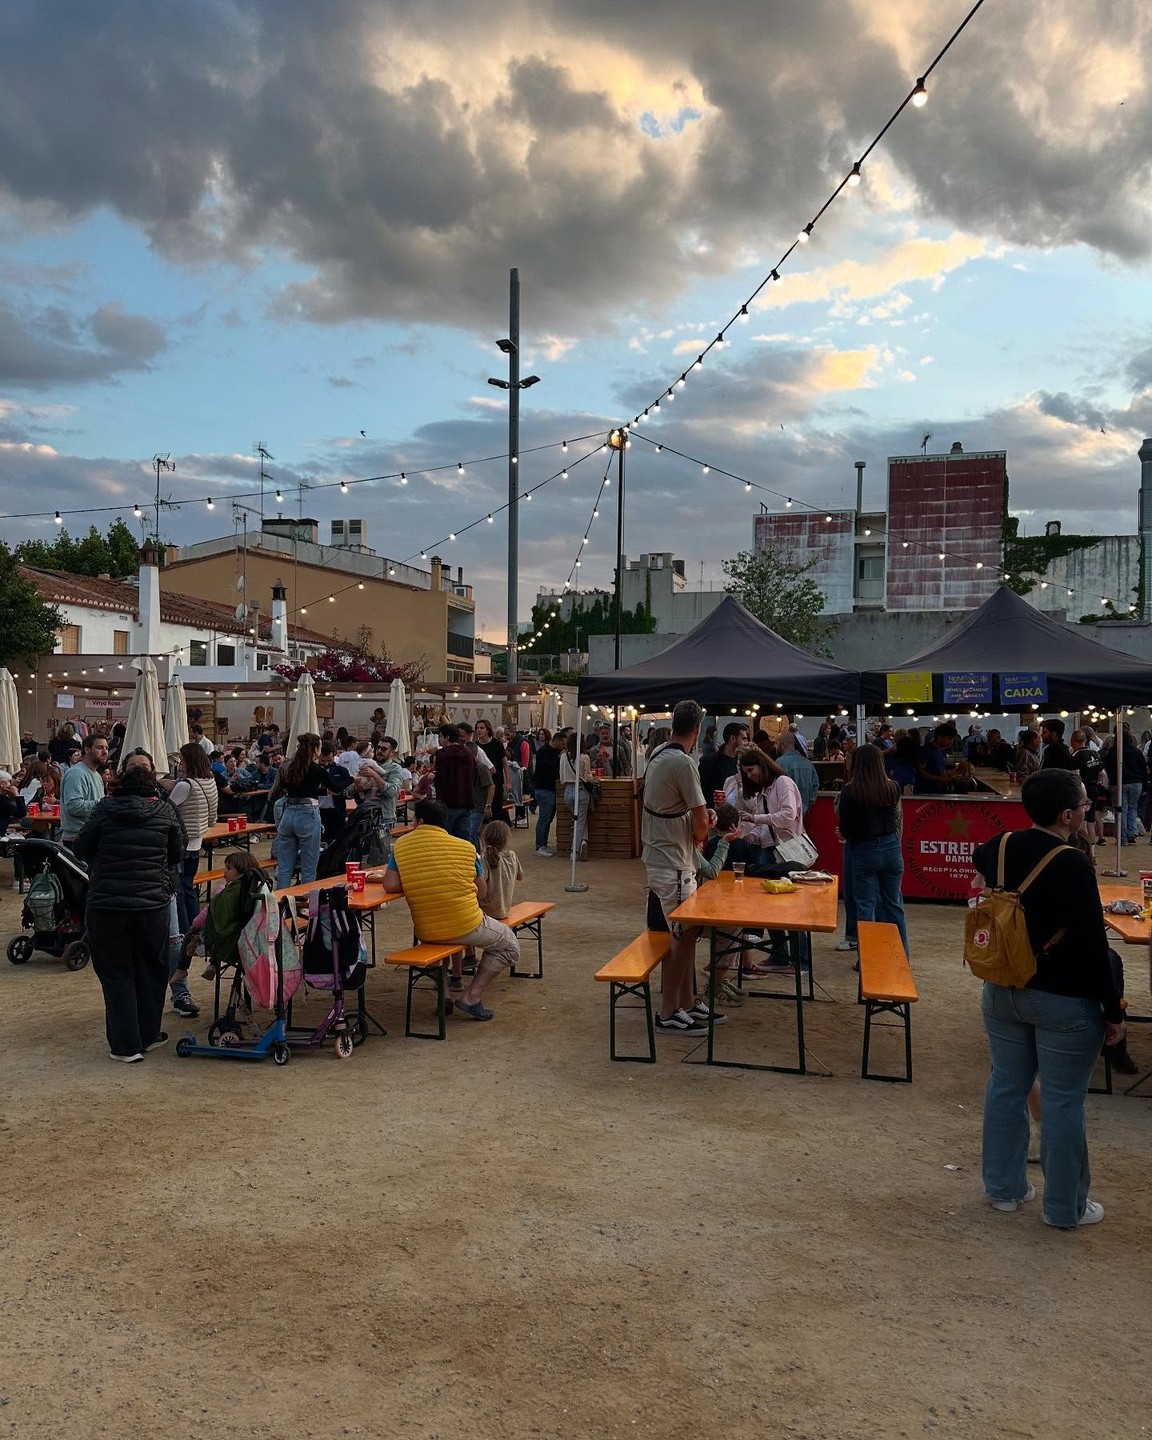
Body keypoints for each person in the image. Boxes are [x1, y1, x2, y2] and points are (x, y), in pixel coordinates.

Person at [973, 768, 1124, 1229]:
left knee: (1007, 1087)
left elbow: (980, 872)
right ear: (1067, 815)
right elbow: (1093, 944)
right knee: (1062, 1102)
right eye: (1083, 805)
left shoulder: (998, 846)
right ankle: (1065, 1208)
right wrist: (1113, 1008)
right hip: (1062, 997)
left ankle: (1004, 1190)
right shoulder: (1072, 863)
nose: (1086, 810)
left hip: (1002, 987)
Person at [72, 759, 184, 1062]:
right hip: (152, 904)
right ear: (152, 786)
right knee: (152, 970)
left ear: (121, 785)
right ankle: (147, 1035)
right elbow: (177, 853)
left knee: (116, 973)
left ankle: (126, 1046)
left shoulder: (104, 809)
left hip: (107, 903)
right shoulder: (165, 811)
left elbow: (80, 847)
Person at [383, 798, 519, 1021]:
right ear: (443, 823)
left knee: (441, 945)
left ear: (418, 821)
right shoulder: (466, 848)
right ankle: (471, 997)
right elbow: (482, 891)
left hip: (427, 929)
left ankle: (445, 995)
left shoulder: (400, 847)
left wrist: (417, 879)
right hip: (466, 924)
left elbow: (389, 885)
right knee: (510, 945)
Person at [641, 699, 712, 1036]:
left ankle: (687, 1001)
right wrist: (704, 828)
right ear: (697, 729)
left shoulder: (658, 754)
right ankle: (668, 1011)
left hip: (662, 857)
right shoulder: (684, 763)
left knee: (686, 935)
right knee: (682, 938)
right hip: (674, 864)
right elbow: (700, 824)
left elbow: (676, 808)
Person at [836, 742, 909, 957]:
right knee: (894, 903)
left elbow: (846, 828)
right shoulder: (892, 787)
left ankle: (869, 959)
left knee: (865, 906)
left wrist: (844, 832)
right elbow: (896, 818)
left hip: (864, 849)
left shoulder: (850, 791)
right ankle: (901, 955)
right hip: (891, 847)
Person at [272, 733, 326, 888]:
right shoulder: (316, 769)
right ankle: (305, 899)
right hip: (308, 814)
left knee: (284, 867)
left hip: (288, 813)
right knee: (309, 866)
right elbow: (336, 787)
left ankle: (281, 899)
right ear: (315, 749)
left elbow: (276, 793)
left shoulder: (288, 767)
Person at [60, 732, 109, 845]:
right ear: (87, 749)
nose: (105, 752)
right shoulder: (76, 773)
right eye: (99, 747)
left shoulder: (96, 775)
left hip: (91, 835)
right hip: (77, 838)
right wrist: (103, 803)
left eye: (106, 748)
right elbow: (73, 806)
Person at [433, 724, 478, 841]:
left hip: (448, 804)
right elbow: (475, 774)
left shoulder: (443, 754)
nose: (440, 740)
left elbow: (441, 780)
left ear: (447, 737)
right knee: (463, 841)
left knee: (446, 839)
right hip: (466, 802)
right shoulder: (468, 753)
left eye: (441, 737)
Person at [560, 731, 593, 861]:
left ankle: (584, 840)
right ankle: (575, 851)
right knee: (580, 821)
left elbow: (562, 776)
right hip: (581, 790)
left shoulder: (563, 756)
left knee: (578, 819)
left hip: (568, 790)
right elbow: (588, 777)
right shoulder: (584, 757)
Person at [531, 728, 564, 857]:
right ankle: (539, 846)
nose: (563, 746)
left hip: (549, 789)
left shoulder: (553, 752)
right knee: (544, 818)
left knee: (548, 818)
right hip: (544, 789)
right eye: (563, 743)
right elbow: (550, 769)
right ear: (557, 741)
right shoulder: (544, 752)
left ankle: (543, 844)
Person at [698, 721, 749, 803]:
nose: (746, 742)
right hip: (716, 807)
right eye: (744, 739)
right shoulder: (709, 763)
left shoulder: (743, 762)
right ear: (733, 739)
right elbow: (703, 790)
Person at [474, 719, 511, 825]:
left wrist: (508, 781)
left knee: (496, 812)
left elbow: (505, 763)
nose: (479, 730)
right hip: (482, 785)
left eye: (482, 728)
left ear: (487, 730)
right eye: (477, 728)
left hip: (496, 782)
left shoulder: (497, 744)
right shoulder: (476, 746)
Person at [775, 730, 819, 815]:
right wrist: (806, 805)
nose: (774, 746)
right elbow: (815, 786)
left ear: (782, 745)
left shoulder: (779, 763)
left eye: (776, 743)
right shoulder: (808, 764)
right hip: (804, 812)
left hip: (785, 813)